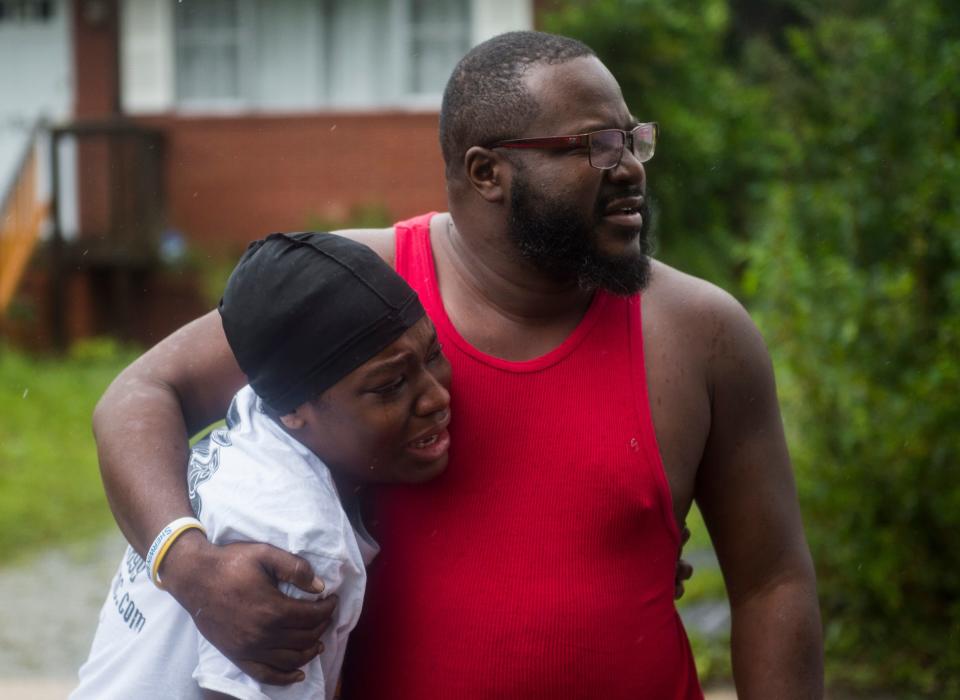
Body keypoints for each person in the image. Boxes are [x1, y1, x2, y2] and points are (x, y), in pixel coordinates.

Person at [92, 31, 823, 699]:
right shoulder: (363, 291)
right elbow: (139, 393)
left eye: (633, 139)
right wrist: (188, 569)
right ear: (486, 171)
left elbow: (771, 584)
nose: (629, 166)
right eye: (595, 146)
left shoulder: (702, 334)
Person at [73, 233, 452, 699]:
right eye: (390, 384)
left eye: (433, 354)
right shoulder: (297, 541)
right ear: (294, 408)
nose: (437, 397)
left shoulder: (252, 422)